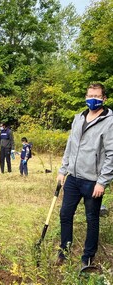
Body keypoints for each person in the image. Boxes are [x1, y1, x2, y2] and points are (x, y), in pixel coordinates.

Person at [56, 83, 113, 268]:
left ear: (104, 99)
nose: (93, 99)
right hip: (73, 177)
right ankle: (64, 252)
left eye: (97, 96)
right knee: (65, 214)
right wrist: (63, 170)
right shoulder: (78, 117)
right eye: (90, 95)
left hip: (93, 181)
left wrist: (102, 182)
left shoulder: (109, 121)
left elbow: (111, 153)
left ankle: (87, 257)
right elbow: (70, 145)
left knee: (92, 219)